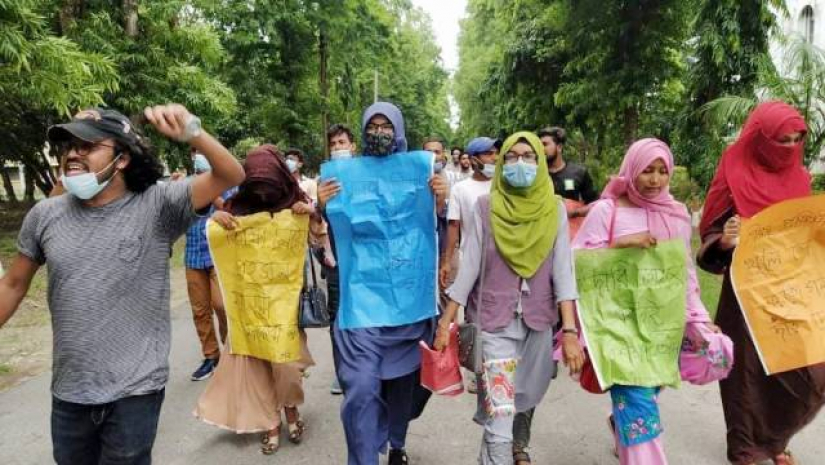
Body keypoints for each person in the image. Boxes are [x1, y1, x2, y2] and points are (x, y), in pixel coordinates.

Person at [0, 104, 245, 465]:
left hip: (135, 390)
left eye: (87, 146)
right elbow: (14, 284)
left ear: (123, 159)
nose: (73, 154)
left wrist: (192, 130)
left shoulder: (158, 205)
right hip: (70, 392)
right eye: (68, 146)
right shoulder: (45, 215)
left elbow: (230, 173)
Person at [437, 132, 584, 465]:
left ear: (540, 163)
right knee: (501, 416)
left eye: (528, 156)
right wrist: (446, 320)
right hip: (493, 325)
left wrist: (571, 332)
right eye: (512, 157)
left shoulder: (555, 210)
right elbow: (471, 263)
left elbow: (563, 272)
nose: (520, 163)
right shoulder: (485, 207)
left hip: (538, 325)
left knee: (519, 403)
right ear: (502, 163)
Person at [318, 102, 448, 465]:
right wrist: (321, 205)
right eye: (372, 126)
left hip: (408, 307)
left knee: (403, 384)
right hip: (362, 306)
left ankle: (396, 442)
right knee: (359, 388)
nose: (379, 132)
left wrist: (441, 200)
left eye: (386, 125)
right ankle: (363, 456)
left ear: (398, 130)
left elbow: (438, 232)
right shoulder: (342, 175)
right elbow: (328, 231)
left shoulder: (421, 174)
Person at [573, 138, 717, 465]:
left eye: (662, 171)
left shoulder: (677, 213)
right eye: (646, 171)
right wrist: (622, 244)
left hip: (660, 327)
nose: (654, 180)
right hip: (616, 330)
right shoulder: (606, 210)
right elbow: (576, 261)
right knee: (640, 411)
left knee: (645, 397)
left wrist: (700, 319)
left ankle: (620, 424)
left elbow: (685, 272)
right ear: (631, 170)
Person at [697, 101, 825, 465]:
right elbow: (709, 232)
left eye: (796, 140)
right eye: (781, 140)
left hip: (793, 287)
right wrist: (724, 241)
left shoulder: (800, 177)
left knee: (810, 371)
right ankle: (745, 449)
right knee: (747, 375)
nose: (789, 147)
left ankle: (775, 438)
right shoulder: (733, 171)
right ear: (762, 137)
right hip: (746, 293)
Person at [193, 144, 315, 455]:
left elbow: (321, 243)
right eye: (257, 186)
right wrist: (218, 222)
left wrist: (311, 216)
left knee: (287, 365)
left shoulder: (298, 201)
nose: (263, 194)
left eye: (269, 186)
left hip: (285, 308)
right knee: (256, 367)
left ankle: (291, 411)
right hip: (249, 309)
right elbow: (223, 247)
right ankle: (270, 423)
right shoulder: (237, 207)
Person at [183, 152, 233, 381]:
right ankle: (211, 356)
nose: (197, 160)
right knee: (200, 310)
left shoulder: (229, 186)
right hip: (193, 256)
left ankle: (231, 350)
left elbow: (234, 214)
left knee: (221, 305)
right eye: (195, 157)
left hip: (218, 255)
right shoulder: (186, 187)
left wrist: (214, 195)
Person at [324, 123, 357, 396]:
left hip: (365, 262)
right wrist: (320, 205)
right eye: (333, 145)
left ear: (353, 146)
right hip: (336, 263)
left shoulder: (365, 175)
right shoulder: (325, 179)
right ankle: (342, 372)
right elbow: (319, 223)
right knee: (337, 318)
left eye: (342, 143)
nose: (338, 148)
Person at [538, 127, 598, 218]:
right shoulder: (535, 174)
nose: (541, 149)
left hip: (571, 228)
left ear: (559, 147)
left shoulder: (579, 173)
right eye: (539, 145)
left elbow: (594, 205)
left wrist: (575, 212)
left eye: (545, 144)